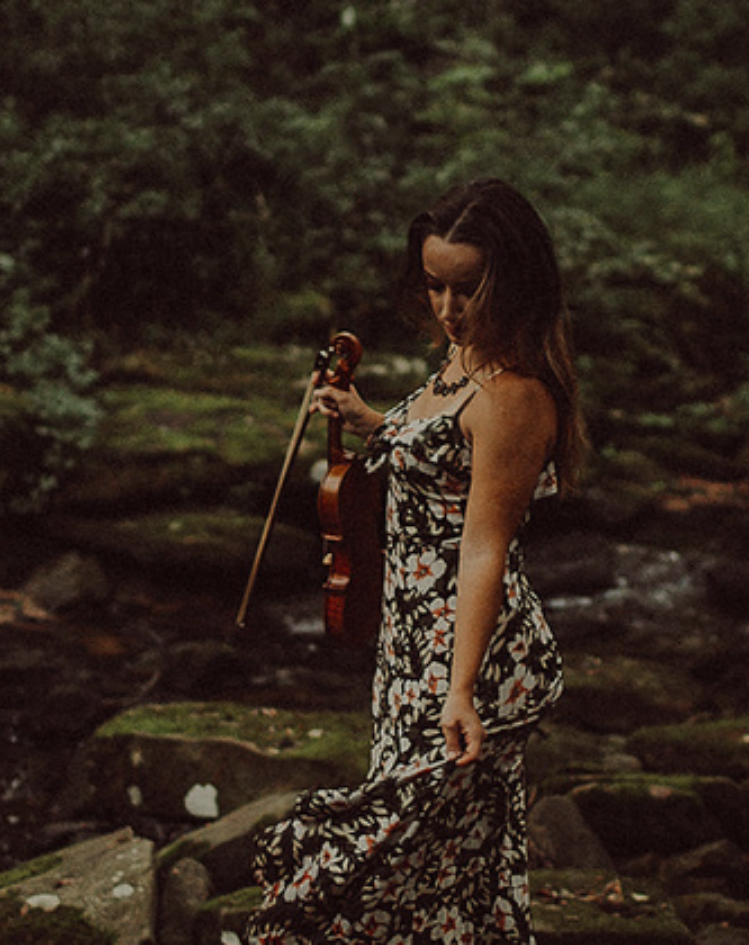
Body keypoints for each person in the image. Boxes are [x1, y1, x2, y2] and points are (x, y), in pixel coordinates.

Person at [248, 179, 584, 942]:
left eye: (469, 288)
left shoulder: (514, 397)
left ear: (515, 281)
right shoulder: (463, 359)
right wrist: (367, 417)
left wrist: (460, 689)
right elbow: (438, 454)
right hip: (411, 649)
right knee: (453, 867)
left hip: (471, 657)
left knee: (380, 858)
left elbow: (483, 546)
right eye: (435, 285)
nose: (448, 308)